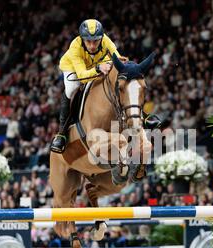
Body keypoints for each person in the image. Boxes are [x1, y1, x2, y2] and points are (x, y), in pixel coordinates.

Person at [50, 19, 161, 153]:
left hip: (97, 63)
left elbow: (120, 62)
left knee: (119, 80)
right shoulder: (75, 46)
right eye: (88, 41)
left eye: (95, 41)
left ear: (101, 38)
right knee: (71, 89)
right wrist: (98, 68)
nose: (92, 46)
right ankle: (62, 133)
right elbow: (82, 75)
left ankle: (143, 115)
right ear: (82, 39)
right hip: (74, 68)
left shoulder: (106, 41)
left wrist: (130, 69)